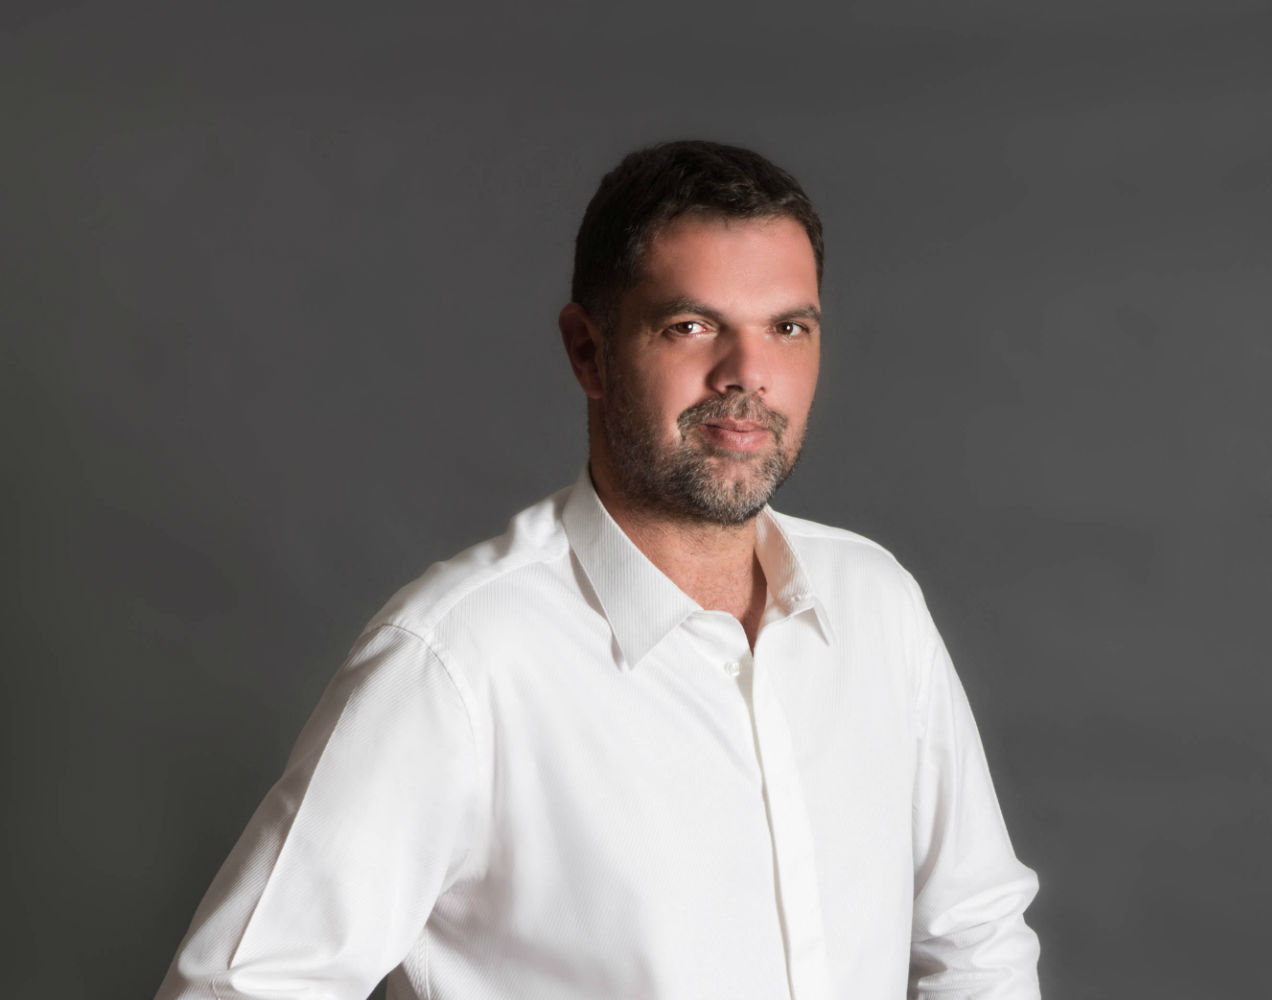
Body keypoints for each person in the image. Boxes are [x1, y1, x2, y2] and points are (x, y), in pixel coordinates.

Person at [155, 140, 1040, 1000]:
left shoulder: (876, 604)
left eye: (787, 328)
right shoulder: (461, 660)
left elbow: (975, 940)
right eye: (691, 326)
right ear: (589, 351)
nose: (748, 376)